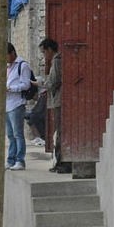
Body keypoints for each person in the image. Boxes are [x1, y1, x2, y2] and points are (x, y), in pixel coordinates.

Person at [42, 37, 70, 174]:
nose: (44, 55)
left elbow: (54, 81)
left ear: (49, 50)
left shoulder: (57, 61)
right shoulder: (55, 61)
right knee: (58, 131)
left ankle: (62, 161)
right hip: (57, 100)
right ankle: (59, 161)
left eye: (44, 52)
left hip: (58, 100)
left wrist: (42, 83)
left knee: (60, 131)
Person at [6, 42, 33, 171]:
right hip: (7, 104)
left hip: (17, 103)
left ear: (12, 53)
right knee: (10, 135)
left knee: (18, 134)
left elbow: (26, 84)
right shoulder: (8, 66)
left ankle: (20, 160)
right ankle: (10, 159)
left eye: (6, 56)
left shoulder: (23, 65)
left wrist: (11, 88)